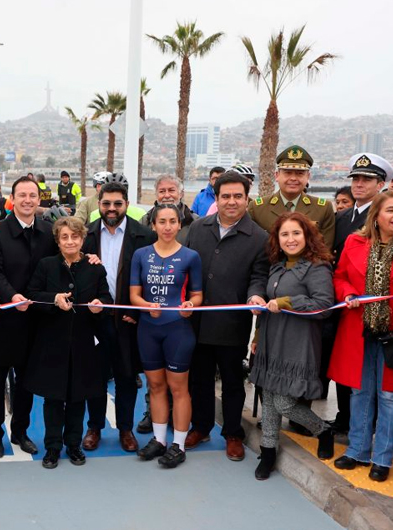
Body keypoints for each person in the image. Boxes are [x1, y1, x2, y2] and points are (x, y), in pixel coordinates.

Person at [330, 191, 393, 482]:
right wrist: (348, 293)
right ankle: (357, 450)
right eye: (391, 210)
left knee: (390, 397)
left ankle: (382, 458)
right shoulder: (354, 242)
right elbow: (340, 276)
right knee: (360, 392)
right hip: (359, 331)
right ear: (376, 216)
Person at [184, 171, 270, 461]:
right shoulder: (198, 228)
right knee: (200, 379)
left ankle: (233, 433)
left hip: (232, 323)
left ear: (247, 199)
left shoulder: (259, 237)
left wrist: (255, 296)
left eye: (237, 196)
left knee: (233, 381)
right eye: (226, 196)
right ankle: (201, 426)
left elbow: (259, 276)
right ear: (216, 198)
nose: (231, 202)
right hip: (197, 320)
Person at [249, 212, 336, 480]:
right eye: (284, 234)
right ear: (277, 239)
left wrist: (289, 302)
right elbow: (269, 303)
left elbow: (324, 306)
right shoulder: (277, 266)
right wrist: (257, 335)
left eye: (296, 233)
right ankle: (268, 451)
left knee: (285, 403)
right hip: (271, 339)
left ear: (307, 236)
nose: (290, 239)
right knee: (269, 399)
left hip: (298, 343)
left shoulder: (318, 267)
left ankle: (323, 429)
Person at [0, 176, 59, 458]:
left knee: (26, 381)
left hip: (35, 321)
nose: (27, 200)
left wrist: (90, 258)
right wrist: (12, 297)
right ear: (12, 199)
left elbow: (62, 262)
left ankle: (20, 431)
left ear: (39, 199)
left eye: (32, 195)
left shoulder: (48, 232)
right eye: (22, 195)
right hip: (2, 320)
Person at [25, 217, 112, 468]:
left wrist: (99, 306)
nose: (70, 241)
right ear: (58, 240)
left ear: (82, 239)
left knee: (78, 398)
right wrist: (54, 299)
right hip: (53, 343)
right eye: (65, 237)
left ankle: (73, 444)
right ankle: (52, 447)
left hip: (84, 344)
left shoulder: (95, 268)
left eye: (75, 236)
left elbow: (105, 298)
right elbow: (32, 295)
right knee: (53, 399)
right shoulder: (46, 265)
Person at [81, 181, 156, 452]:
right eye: (106, 203)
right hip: (95, 319)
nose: (111, 209)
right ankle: (94, 427)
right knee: (95, 376)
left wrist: (138, 313)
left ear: (127, 204)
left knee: (127, 376)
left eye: (117, 203)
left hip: (127, 320)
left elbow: (150, 278)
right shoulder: (86, 234)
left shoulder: (144, 236)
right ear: (98, 204)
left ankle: (126, 429)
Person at [130, 204, 203, 468]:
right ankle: (160, 440)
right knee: (156, 386)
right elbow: (134, 295)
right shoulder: (140, 255)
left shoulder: (191, 256)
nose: (168, 226)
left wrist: (190, 306)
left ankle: (178, 445)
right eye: (162, 221)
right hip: (148, 330)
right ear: (153, 225)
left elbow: (197, 295)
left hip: (178, 330)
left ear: (180, 225)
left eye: (173, 221)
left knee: (178, 388)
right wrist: (146, 305)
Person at [324, 153, 390, 434]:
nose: (359, 184)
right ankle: (345, 416)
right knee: (345, 364)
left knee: (371, 370)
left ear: (381, 184)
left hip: (373, 305)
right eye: (356, 178)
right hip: (343, 300)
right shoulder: (340, 218)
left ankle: (367, 422)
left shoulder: (385, 218)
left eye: (367, 179)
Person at [248, 146, 335, 250]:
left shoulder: (323, 208)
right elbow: (252, 247)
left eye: (299, 173)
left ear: (308, 177)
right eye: (288, 173)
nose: (293, 178)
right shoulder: (257, 208)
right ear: (277, 175)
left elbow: (325, 249)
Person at [140, 174, 197, 243]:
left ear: (181, 194)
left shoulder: (194, 222)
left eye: (171, 190)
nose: (167, 195)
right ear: (156, 195)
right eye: (162, 191)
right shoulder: (145, 221)